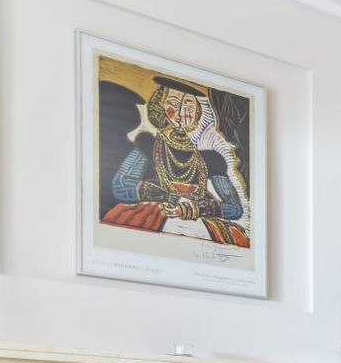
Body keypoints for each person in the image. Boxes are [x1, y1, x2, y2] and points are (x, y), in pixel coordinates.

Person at [103, 76, 250, 247]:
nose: (181, 113)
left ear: (197, 112)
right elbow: (121, 187)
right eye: (173, 103)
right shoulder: (147, 145)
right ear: (161, 107)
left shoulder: (211, 159)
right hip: (154, 214)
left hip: (198, 220)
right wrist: (168, 196)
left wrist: (194, 208)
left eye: (188, 106)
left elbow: (234, 208)